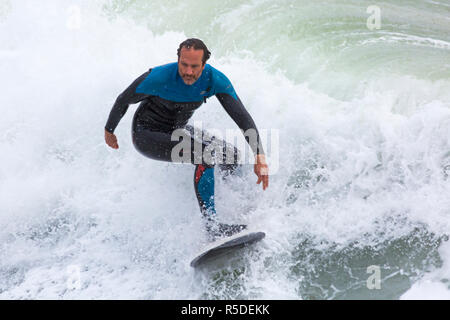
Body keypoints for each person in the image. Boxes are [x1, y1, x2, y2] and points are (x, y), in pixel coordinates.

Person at [104, 38, 269, 241]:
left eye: (194, 66)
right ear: (178, 59)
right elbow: (123, 99)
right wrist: (109, 130)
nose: (188, 72)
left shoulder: (214, 80)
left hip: (177, 130)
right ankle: (212, 227)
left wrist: (259, 154)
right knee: (206, 155)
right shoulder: (158, 77)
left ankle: (235, 205)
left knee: (231, 156)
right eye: (184, 64)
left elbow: (241, 116)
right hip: (147, 135)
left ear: (204, 64)